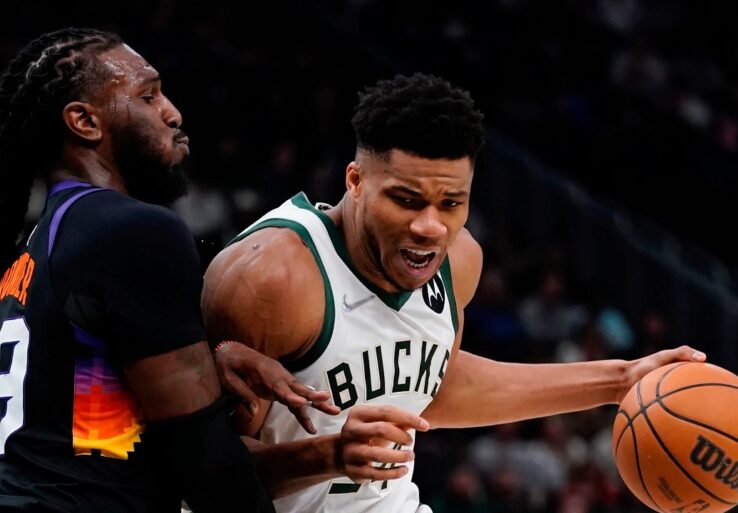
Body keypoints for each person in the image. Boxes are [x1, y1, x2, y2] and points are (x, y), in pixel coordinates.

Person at [201, 72, 707, 512]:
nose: (430, 227)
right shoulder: (271, 280)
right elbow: (200, 475)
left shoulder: (459, 260)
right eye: (406, 200)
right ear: (355, 181)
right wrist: (327, 455)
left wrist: (620, 381)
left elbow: (434, 390)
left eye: (450, 203)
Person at [0, 27, 329, 513]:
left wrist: (212, 360)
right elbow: (203, 457)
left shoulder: (37, 248)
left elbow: (95, 423)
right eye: (148, 96)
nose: (173, 112)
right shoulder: (132, 230)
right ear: (85, 122)